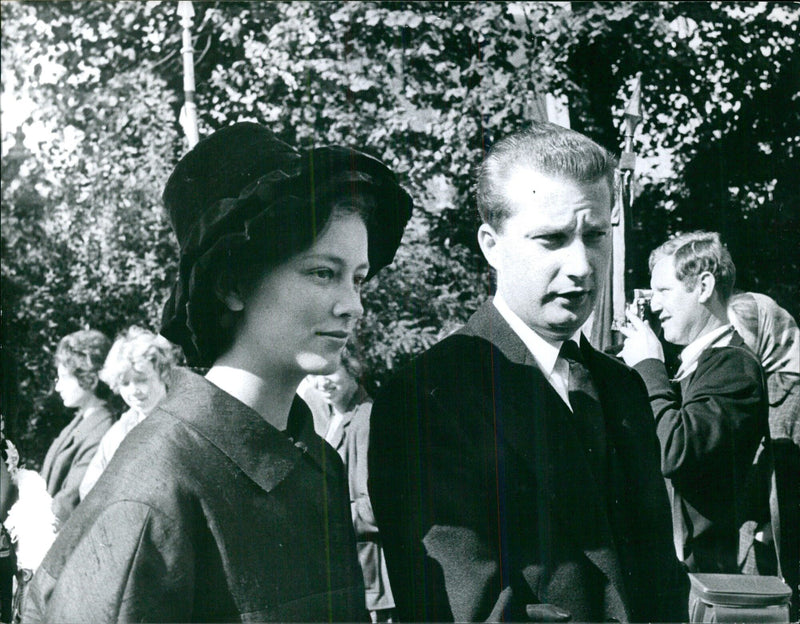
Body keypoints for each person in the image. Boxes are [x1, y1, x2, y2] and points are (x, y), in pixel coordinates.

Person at [22, 122, 412, 622]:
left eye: (358, 279)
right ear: (232, 284)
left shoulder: (317, 463)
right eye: (323, 273)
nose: (352, 305)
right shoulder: (156, 490)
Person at [369, 121, 687, 623]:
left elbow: (660, 578)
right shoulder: (428, 398)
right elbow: (466, 612)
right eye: (552, 239)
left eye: (595, 235)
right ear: (491, 245)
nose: (582, 264)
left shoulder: (622, 386)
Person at [620, 232, 769, 574]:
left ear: (703, 287)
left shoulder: (735, 366)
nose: (654, 305)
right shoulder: (696, 363)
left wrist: (649, 367)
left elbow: (675, 450)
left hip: (699, 576)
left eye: (663, 291)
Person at [306, 353, 395, 622]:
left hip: (372, 574)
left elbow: (376, 506)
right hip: (348, 568)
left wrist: (323, 521)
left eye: (329, 372)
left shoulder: (366, 419)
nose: (321, 383)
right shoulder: (332, 415)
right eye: (313, 375)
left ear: (352, 370)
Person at [728, 291, 800, 618]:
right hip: (743, 544)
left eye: (740, 337)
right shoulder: (741, 381)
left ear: (764, 335)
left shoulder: (794, 393)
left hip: (781, 550)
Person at [78, 326, 180, 499]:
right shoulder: (118, 432)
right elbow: (89, 491)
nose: (134, 390)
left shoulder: (183, 420)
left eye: (141, 380)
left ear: (162, 372)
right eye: (125, 383)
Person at [40, 329, 114, 526]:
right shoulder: (81, 420)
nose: (57, 387)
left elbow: (69, 502)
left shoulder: (103, 430)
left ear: (89, 379)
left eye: (64, 377)